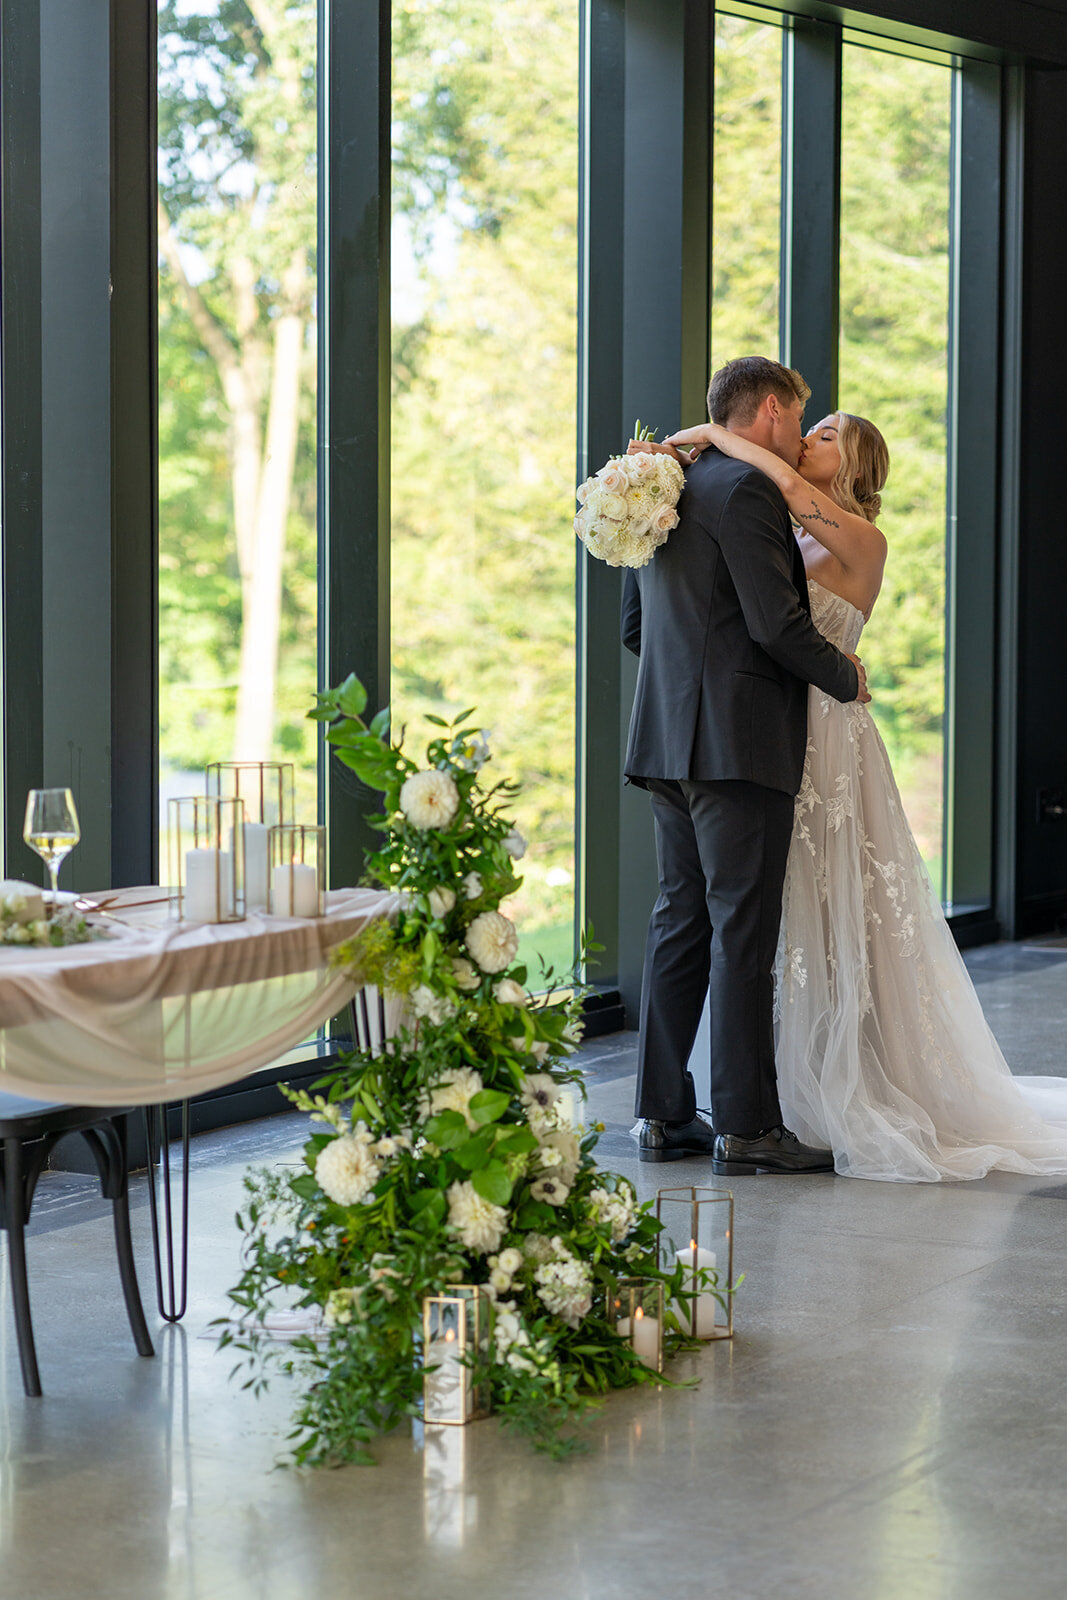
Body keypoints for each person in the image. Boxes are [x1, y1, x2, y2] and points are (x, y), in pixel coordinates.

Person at [665, 408, 1067, 1181]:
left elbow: (778, 483)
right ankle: (766, 1085)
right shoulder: (775, 527)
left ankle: (848, 1077)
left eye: (824, 435)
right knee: (770, 906)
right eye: (806, 428)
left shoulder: (859, 538)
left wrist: (716, 437)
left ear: (851, 464)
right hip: (766, 725)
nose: (806, 441)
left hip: (827, 730)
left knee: (837, 896)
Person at [622, 356, 868, 1174]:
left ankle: (660, 1119)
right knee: (741, 935)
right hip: (737, 742)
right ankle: (747, 1128)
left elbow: (635, 627)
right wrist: (847, 677)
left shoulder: (668, 485)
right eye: (797, 419)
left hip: (664, 740)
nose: (799, 435)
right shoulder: (749, 491)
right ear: (768, 409)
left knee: (678, 924)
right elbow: (775, 623)